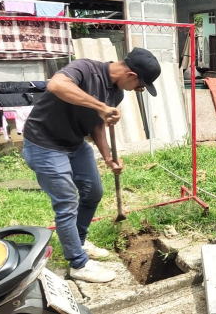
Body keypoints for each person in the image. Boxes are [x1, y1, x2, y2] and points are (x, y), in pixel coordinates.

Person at [22, 48, 161, 283]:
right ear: (130, 75)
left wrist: (108, 157)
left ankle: (80, 240)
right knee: (67, 201)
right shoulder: (85, 68)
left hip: (75, 143)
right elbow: (56, 86)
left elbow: (97, 125)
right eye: (140, 86)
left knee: (93, 191)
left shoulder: (116, 94)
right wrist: (100, 106)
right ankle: (78, 264)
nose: (138, 90)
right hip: (44, 144)